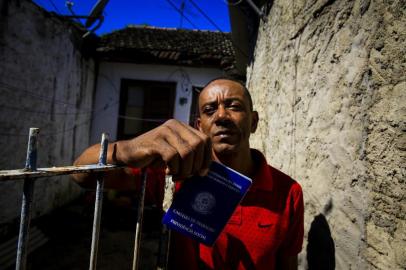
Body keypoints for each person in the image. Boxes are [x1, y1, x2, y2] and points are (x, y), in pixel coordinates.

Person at [73, 77, 304, 270]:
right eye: (209, 110)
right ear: (199, 126)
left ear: (253, 122)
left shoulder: (288, 191)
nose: (221, 116)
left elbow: (287, 264)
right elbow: (81, 175)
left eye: (233, 106)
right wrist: (129, 148)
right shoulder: (174, 174)